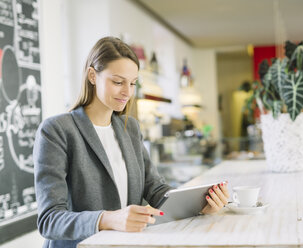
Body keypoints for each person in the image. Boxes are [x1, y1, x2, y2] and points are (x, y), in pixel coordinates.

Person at [33, 37, 230, 248]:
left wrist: (199, 205)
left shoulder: (130, 128)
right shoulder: (56, 130)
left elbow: (154, 188)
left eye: (133, 83)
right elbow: (49, 220)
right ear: (92, 76)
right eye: (118, 82)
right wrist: (108, 219)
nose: (127, 92)